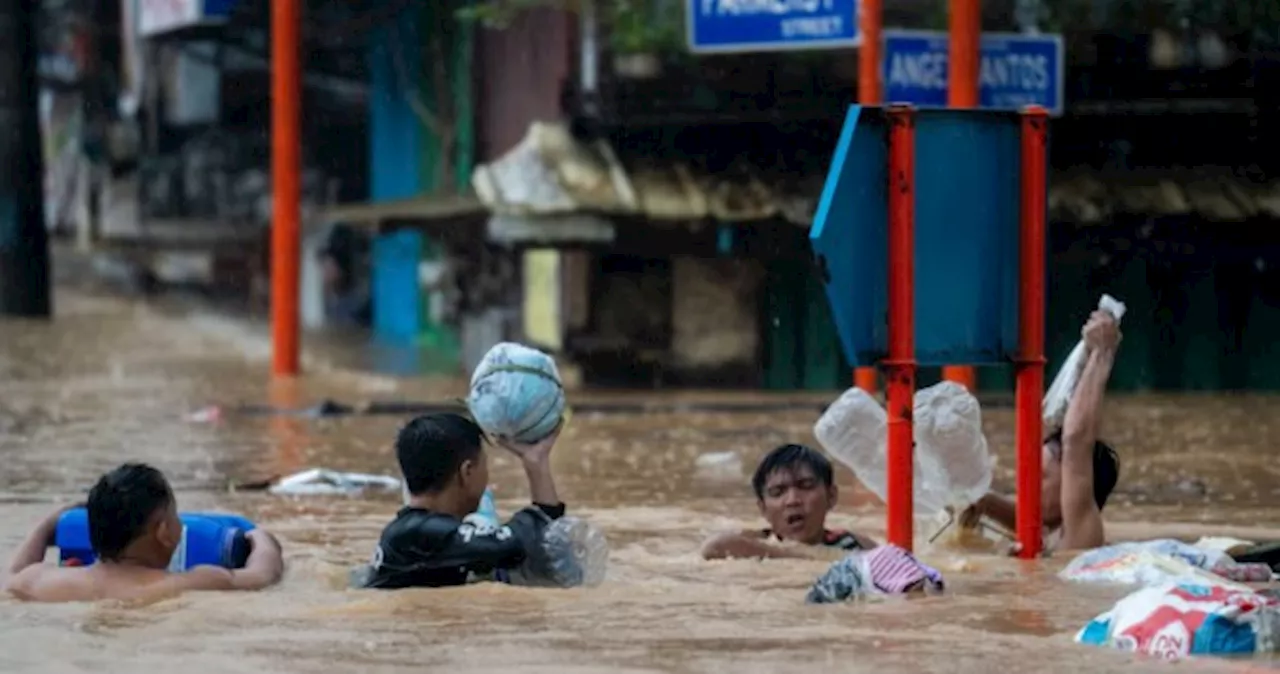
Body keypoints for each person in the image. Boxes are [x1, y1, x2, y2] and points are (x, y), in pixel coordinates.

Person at [960, 310, 1123, 552]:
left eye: (1043, 478)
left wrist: (1102, 353)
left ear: (1073, 486)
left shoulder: (1079, 534)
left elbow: (1076, 440)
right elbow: (1030, 520)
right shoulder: (1050, 534)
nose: (1028, 488)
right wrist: (983, 502)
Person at [4, 463, 284, 602]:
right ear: (164, 532)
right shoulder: (189, 582)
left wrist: (47, 526)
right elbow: (263, 575)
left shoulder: (39, 580)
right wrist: (261, 538)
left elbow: (12, 578)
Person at [362, 412, 567, 589]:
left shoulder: (417, 531)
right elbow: (512, 546)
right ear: (467, 472)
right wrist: (536, 466)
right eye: (485, 466)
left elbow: (540, 540)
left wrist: (537, 463)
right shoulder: (418, 532)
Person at [702, 444, 878, 560]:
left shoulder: (854, 545)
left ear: (831, 497)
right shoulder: (757, 543)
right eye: (777, 492)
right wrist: (806, 555)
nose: (793, 500)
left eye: (806, 486)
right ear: (763, 509)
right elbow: (713, 548)